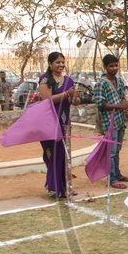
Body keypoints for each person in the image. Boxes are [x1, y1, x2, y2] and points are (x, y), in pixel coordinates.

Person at [38, 52, 80, 199]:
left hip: (65, 122)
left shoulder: (68, 80)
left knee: (65, 155)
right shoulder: (45, 80)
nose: (61, 65)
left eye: (63, 62)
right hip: (50, 122)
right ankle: (54, 187)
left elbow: (74, 102)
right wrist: (67, 94)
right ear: (50, 64)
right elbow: (47, 100)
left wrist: (75, 98)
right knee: (53, 154)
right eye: (57, 62)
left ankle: (66, 187)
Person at [93, 54, 128, 189]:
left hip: (120, 120)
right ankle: (112, 178)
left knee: (118, 149)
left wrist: (125, 105)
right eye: (111, 66)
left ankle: (117, 173)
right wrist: (119, 106)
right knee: (111, 151)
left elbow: (122, 97)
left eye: (116, 65)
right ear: (105, 67)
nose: (114, 68)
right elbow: (100, 104)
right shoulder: (101, 84)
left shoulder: (119, 81)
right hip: (109, 122)